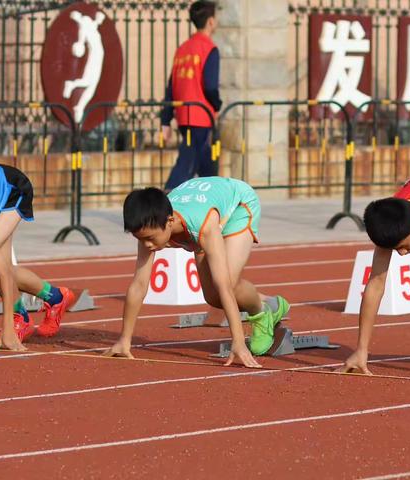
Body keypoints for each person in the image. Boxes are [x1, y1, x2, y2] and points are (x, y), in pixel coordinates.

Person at [105, 176, 290, 367]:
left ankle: (263, 311)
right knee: (211, 297)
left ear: (169, 222)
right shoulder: (150, 227)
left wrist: (239, 342)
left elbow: (224, 285)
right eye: (140, 239)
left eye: (150, 238)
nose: (146, 245)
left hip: (238, 205)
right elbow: (139, 285)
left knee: (229, 283)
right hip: (203, 206)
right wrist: (124, 340)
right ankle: (269, 302)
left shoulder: (203, 226)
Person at [339, 160, 410, 374]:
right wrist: (361, 350)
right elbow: (375, 284)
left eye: (401, 246)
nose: (401, 253)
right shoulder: (390, 218)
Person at [0, 163, 75, 350]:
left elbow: (3, 274)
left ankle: (18, 318)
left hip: (13, 188)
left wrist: (8, 332)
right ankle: (54, 297)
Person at [160, 0, 222, 191]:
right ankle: (165, 204)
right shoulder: (209, 49)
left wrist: (165, 119)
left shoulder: (183, 49)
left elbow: (171, 87)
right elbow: (210, 86)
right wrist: (217, 105)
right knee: (188, 164)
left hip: (184, 116)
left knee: (207, 166)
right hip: (201, 116)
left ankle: (212, 207)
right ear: (210, 21)